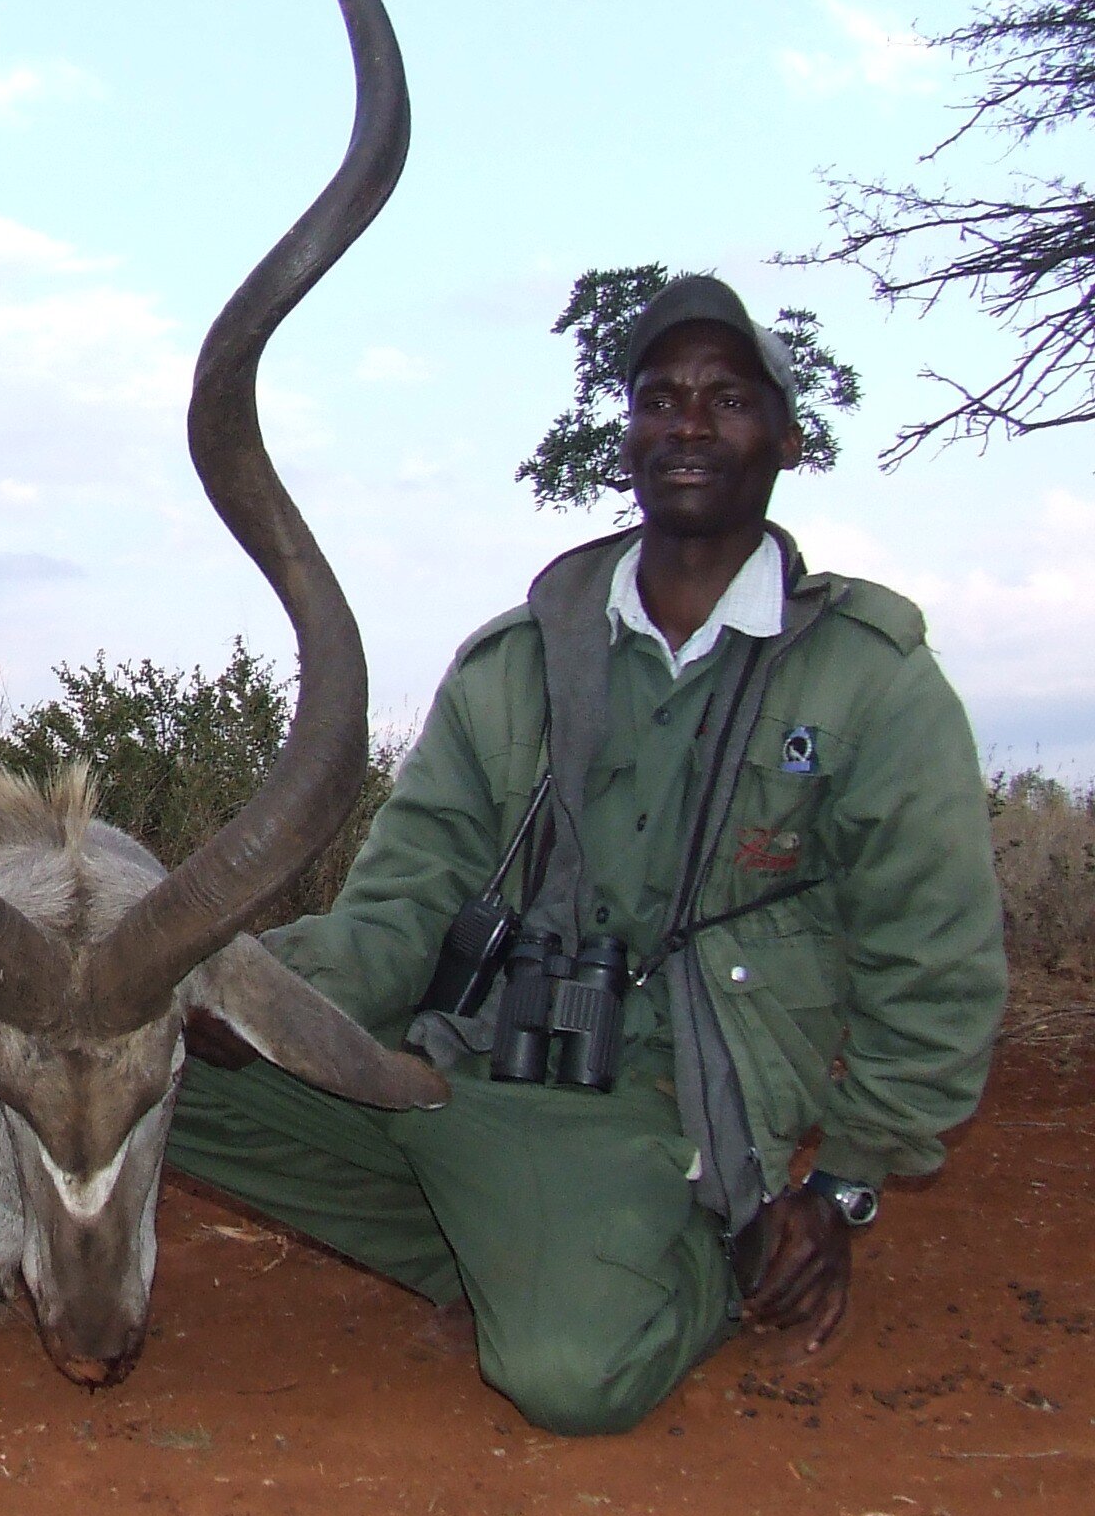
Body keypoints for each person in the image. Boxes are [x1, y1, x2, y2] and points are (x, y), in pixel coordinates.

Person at [168, 275, 1006, 1436]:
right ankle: (522, 1246)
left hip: (674, 1117)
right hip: (465, 1076)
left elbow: (938, 958)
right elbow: (400, 906)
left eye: (727, 399)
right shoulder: (513, 664)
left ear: (786, 434)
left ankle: (682, 1254)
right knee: (136, 1069)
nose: (691, 424)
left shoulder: (872, 678)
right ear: (627, 437)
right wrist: (254, 994)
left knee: (567, 1378)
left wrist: (847, 1183)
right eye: (660, 398)